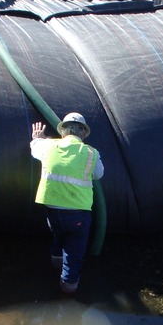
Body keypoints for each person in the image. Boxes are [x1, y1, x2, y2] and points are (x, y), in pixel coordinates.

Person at [30, 112, 104, 294]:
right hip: (78, 213)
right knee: (74, 252)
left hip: (53, 212)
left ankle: (55, 264)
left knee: (59, 236)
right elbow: (99, 174)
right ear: (83, 134)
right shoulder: (91, 153)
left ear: (62, 131)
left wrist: (38, 138)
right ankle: (68, 289)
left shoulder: (49, 146)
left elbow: (35, 148)